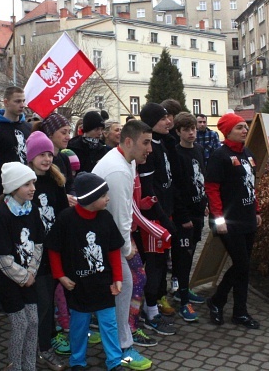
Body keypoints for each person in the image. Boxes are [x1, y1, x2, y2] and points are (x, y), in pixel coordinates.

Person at [46, 172, 126, 371]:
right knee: (79, 326)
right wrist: (60, 276)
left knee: (109, 324)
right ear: (91, 198)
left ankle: (114, 361)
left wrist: (117, 277)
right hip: (77, 286)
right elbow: (54, 249)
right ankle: (78, 361)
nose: (108, 199)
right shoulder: (66, 219)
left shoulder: (105, 218)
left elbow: (113, 250)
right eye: (103, 196)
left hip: (103, 284)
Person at [93, 120, 157, 365]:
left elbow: (125, 209)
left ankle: (113, 336)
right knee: (124, 286)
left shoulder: (128, 160)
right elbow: (120, 217)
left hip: (109, 236)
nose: (149, 149)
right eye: (146, 142)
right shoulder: (118, 170)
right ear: (128, 141)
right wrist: (128, 251)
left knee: (120, 287)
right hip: (104, 238)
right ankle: (122, 347)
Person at [205, 113, 262, 330]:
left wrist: (256, 210)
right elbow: (211, 188)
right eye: (239, 127)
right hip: (229, 222)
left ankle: (238, 311)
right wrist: (218, 218)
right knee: (242, 264)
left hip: (247, 218)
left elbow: (251, 185)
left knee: (243, 267)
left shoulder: (247, 153)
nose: (245, 130)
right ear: (228, 131)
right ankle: (219, 301)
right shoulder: (220, 156)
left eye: (245, 127)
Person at [0, 162, 44, 371]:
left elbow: (38, 243)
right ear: (13, 188)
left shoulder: (32, 210)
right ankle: (15, 366)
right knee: (20, 325)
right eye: (26, 184)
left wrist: (31, 271)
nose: (32, 188)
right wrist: (23, 276)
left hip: (29, 278)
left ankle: (30, 365)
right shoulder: (3, 216)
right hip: (10, 282)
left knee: (33, 323)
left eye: (33, 183)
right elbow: (1, 256)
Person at [26, 131, 69, 369]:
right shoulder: (25, 182)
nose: (46, 159)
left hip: (54, 249)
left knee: (50, 298)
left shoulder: (56, 181)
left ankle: (47, 339)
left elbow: (62, 213)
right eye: (41, 154)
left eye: (49, 154)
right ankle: (40, 348)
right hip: (34, 253)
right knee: (41, 303)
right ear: (31, 157)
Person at [138, 103, 178, 330]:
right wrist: (164, 219)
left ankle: (152, 305)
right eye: (163, 119)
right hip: (153, 218)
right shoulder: (148, 150)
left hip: (165, 212)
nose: (168, 122)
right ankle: (150, 311)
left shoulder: (162, 143)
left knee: (162, 264)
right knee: (154, 264)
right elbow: (149, 189)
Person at [170, 113, 207, 322]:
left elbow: (202, 177)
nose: (191, 132)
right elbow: (176, 189)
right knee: (183, 257)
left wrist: (205, 203)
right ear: (178, 132)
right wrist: (183, 216)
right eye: (186, 129)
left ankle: (183, 289)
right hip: (184, 215)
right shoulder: (175, 154)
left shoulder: (199, 150)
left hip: (198, 210)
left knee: (191, 252)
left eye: (193, 128)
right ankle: (184, 301)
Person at [0, 86, 32, 196]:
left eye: (23, 101)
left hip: (28, 185)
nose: (22, 105)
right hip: (5, 189)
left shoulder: (28, 128)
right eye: (17, 101)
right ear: (6, 102)